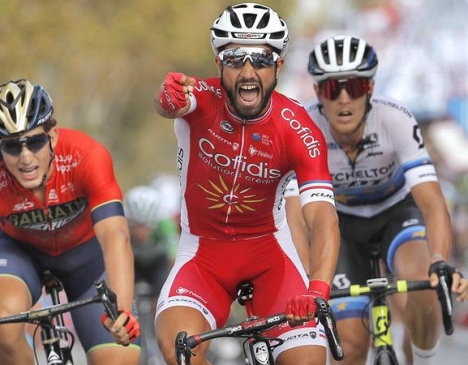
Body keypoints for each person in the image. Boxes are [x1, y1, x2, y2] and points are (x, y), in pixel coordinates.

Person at [152, 3, 341, 365]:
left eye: (261, 60)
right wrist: (165, 95)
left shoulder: (299, 129)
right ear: (219, 64)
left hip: (270, 257)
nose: (248, 71)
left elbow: (322, 217)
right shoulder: (200, 100)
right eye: (236, 58)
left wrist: (317, 289)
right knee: (180, 351)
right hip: (203, 256)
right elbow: (168, 104)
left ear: (279, 67)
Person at [298, 34, 468, 365]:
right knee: (350, 345)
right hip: (340, 225)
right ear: (318, 92)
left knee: (422, 282)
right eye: (333, 89)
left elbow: (432, 201)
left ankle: (420, 357)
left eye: (356, 87)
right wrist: (304, 274)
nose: (344, 99)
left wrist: (439, 259)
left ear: (370, 89)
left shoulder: (395, 120)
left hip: (396, 212)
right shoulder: (303, 126)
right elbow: (295, 212)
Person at [0, 79, 141, 365]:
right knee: (1, 321)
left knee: (118, 357)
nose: (26, 158)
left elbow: (115, 236)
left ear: (52, 136)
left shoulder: (86, 155)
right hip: (19, 254)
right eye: (13, 146)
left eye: (35, 142)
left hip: (86, 258)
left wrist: (123, 311)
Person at [124, 185, 179, 298]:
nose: (141, 232)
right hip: (133, 262)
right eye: (135, 226)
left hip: (158, 263)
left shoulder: (165, 223)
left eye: (147, 226)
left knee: (162, 290)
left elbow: (173, 254)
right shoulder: (122, 225)